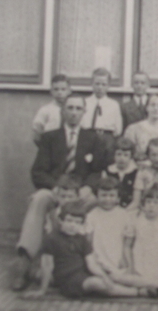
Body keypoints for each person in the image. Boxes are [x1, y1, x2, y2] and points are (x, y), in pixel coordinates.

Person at [11, 94, 105, 291]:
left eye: (78, 109)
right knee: (39, 198)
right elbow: (38, 172)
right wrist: (56, 188)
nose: (73, 113)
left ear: (84, 112)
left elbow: (97, 171)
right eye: (70, 108)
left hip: (80, 192)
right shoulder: (50, 137)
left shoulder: (93, 138)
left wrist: (88, 187)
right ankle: (25, 259)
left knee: (98, 203)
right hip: (56, 190)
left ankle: (91, 264)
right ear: (63, 111)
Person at [23, 201, 139, 299]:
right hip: (68, 280)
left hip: (83, 272)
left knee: (113, 275)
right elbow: (47, 266)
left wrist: (104, 276)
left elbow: (91, 264)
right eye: (69, 221)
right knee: (98, 283)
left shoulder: (82, 239)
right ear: (60, 220)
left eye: (77, 222)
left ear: (82, 224)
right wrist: (42, 290)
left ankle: (150, 286)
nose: (72, 225)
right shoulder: (51, 239)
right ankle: (136, 293)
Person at [115, 183, 158, 295]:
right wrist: (130, 265)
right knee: (124, 278)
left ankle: (152, 286)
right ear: (143, 204)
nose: (151, 206)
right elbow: (127, 246)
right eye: (148, 202)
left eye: (156, 203)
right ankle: (152, 286)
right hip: (141, 262)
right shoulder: (136, 220)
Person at [86, 177, 131, 275]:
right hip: (99, 257)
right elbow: (88, 241)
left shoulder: (124, 215)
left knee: (120, 275)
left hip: (117, 256)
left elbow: (127, 241)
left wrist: (124, 257)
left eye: (111, 195)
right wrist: (93, 260)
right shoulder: (92, 215)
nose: (107, 199)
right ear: (97, 197)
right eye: (103, 195)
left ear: (118, 198)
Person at [81, 68, 123, 159]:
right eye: (97, 84)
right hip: (88, 137)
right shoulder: (84, 102)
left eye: (104, 84)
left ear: (108, 86)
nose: (100, 87)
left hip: (106, 139)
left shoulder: (113, 105)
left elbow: (118, 129)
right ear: (92, 84)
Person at [123, 93, 158, 162]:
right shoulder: (133, 129)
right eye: (152, 105)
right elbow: (128, 154)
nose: (156, 108)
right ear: (146, 108)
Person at [130, 138, 158, 208]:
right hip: (146, 208)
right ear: (148, 155)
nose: (157, 159)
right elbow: (136, 201)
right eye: (153, 155)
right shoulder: (142, 173)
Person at [99, 137, 138, 208]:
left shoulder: (136, 172)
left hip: (130, 208)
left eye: (126, 155)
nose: (122, 158)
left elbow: (136, 200)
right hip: (111, 207)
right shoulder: (108, 171)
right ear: (114, 155)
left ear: (131, 157)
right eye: (119, 154)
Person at [32, 74, 71, 145]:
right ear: (51, 91)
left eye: (63, 89)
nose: (59, 92)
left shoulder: (73, 110)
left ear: (69, 91)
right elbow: (37, 135)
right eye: (56, 89)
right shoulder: (45, 110)